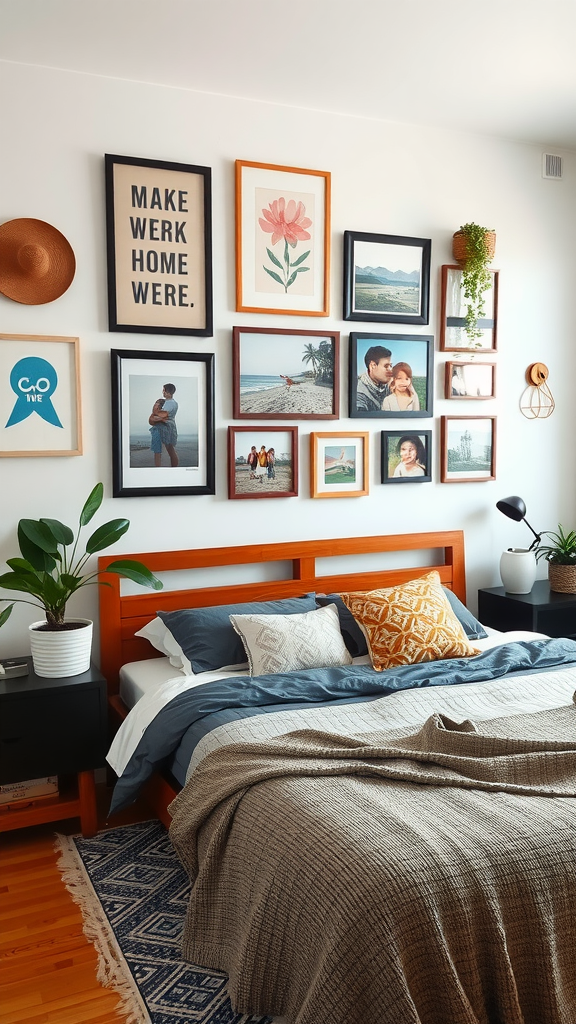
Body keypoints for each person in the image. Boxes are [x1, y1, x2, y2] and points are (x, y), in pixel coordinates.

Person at [355, 345, 393, 412]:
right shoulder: (359, 393)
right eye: (386, 366)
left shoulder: (391, 385)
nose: (390, 370)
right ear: (373, 366)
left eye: (391, 365)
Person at [150, 383, 179, 467]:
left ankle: (158, 469)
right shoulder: (173, 403)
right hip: (169, 427)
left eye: (164, 390)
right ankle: (174, 468)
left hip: (162, 428)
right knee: (170, 449)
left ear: (168, 392)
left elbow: (161, 415)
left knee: (157, 451)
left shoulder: (169, 403)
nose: (163, 392)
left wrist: (154, 415)